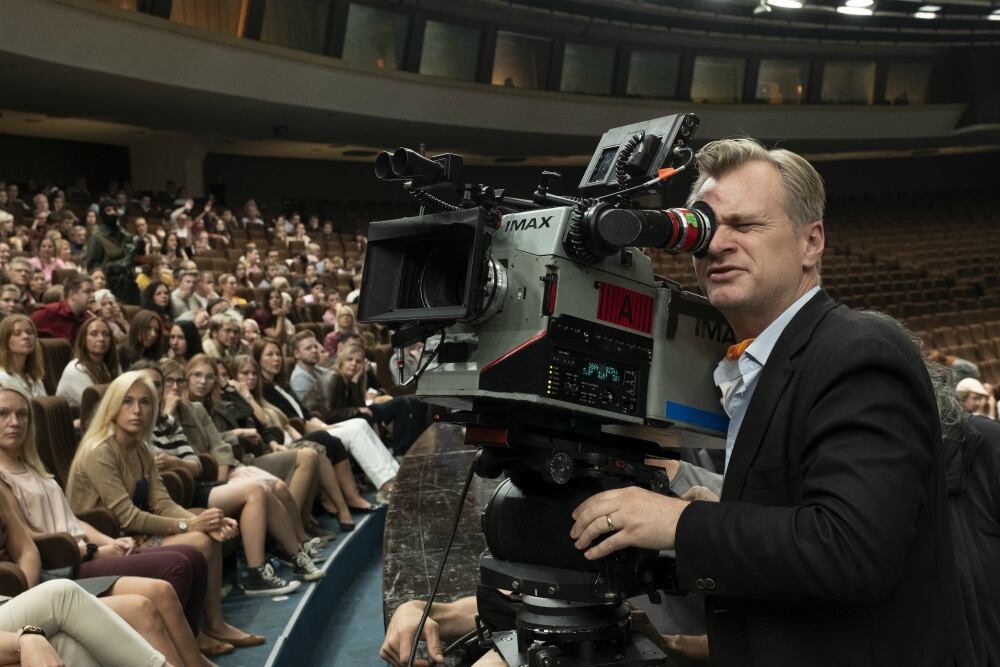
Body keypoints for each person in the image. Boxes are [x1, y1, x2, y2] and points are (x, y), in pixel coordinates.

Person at [567, 138, 969, 665]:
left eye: (746, 225)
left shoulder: (859, 348)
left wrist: (680, 523)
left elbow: (850, 549)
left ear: (811, 242)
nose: (718, 244)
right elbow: (806, 516)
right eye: (706, 227)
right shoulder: (758, 364)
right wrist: (724, 517)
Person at [0, 384, 211, 666]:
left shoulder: (34, 468)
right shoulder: (94, 451)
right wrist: (90, 550)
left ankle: (198, 653)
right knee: (175, 567)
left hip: (68, 561)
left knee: (150, 598)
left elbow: (62, 526)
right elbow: (41, 540)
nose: (15, 422)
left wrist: (106, 541)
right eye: (3, 414)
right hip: (65, 563)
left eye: (22, 414)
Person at [65, 371, 264, 655]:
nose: (137, 410)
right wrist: (190, 526)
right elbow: (127, 516)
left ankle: (213, 624)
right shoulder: (99, 450)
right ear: (112, 406)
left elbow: (162, 502)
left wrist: (206, 522)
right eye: (127, 401)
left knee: (205, 532)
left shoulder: (140, 447)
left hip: (133, 535)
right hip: (108, 544)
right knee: (199, 540)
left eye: (145, 402)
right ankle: (194, 633)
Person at [136, 361, 318, 590]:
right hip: (176, 493)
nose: (170, 388)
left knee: (263, 488)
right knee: (256, 489)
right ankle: (255, 573)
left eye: (160, 384)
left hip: (198, 484)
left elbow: (196, 464)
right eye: (161, 383)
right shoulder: (140, 424)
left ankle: (296, 556)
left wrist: (176, 462)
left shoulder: (169, 421)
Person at [181, 355, 326, 546]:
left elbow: (247, 413)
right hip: (222, 468)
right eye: (197, 375)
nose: (203, 382)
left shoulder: (216, 402)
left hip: (239, 459)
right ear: (187, 377)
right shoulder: (184, 408)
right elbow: (207, 444)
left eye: (210, 377)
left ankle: (300, 537)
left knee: (302, 463)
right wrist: (236, 433)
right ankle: (293, 539)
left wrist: (229, 389)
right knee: (296, 465)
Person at [223, 354, 360, 530]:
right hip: (255, 456)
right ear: (234, 376)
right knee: (317, 446)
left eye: (254, 374)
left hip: (277, 446)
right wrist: (244, 395)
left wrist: (278, 439)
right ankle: (297, 525)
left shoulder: (259, 397)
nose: (251, 377)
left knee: (320, 447)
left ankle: (341, 510)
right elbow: (263, 421)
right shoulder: (236, 400)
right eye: (245, 373)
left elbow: (269, 426)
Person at [255, 337, 397, 506]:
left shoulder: (282, 385)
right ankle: (385, 484)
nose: (276, 358)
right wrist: (323, 427)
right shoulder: (262, 389)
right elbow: (292, 421)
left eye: (278, 354)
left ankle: (395, 476)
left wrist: (325, 426)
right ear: (258, 359)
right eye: (269, 354)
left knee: (360, 423)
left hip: (313, 427)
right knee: (355, 430)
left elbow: (306, 415)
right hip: (298, 436)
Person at [297, 337, 419, 455]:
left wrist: (355, 382)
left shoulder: (352, 378)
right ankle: (385, 451)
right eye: (349, 360)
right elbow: (329, 414)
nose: (354, 364)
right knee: (365, 416)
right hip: (322, 422)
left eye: (358, 361)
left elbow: (360, 405)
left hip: (346, 413)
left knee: (401, 403)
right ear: (342, 361)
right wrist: (358, 410)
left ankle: (400, 451)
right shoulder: (333, 377)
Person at [56, 317, 120, 407]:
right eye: (94, 334)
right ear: (84, 340)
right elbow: (96, 405)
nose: (101, 338)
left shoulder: (110, 365)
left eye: (106, 334)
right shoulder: (76, 369)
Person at [30, 272, 94, 343]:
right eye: (87, 292)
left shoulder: (88, 319)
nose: (93, 295)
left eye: (93, 291)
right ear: (72, 294)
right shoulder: (47, 312)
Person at [0, 316, 45, 398]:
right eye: (17, 334)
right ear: (5, 341)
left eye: (29, 332)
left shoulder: (34, 376)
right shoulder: (2, 377)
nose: (26, 336)